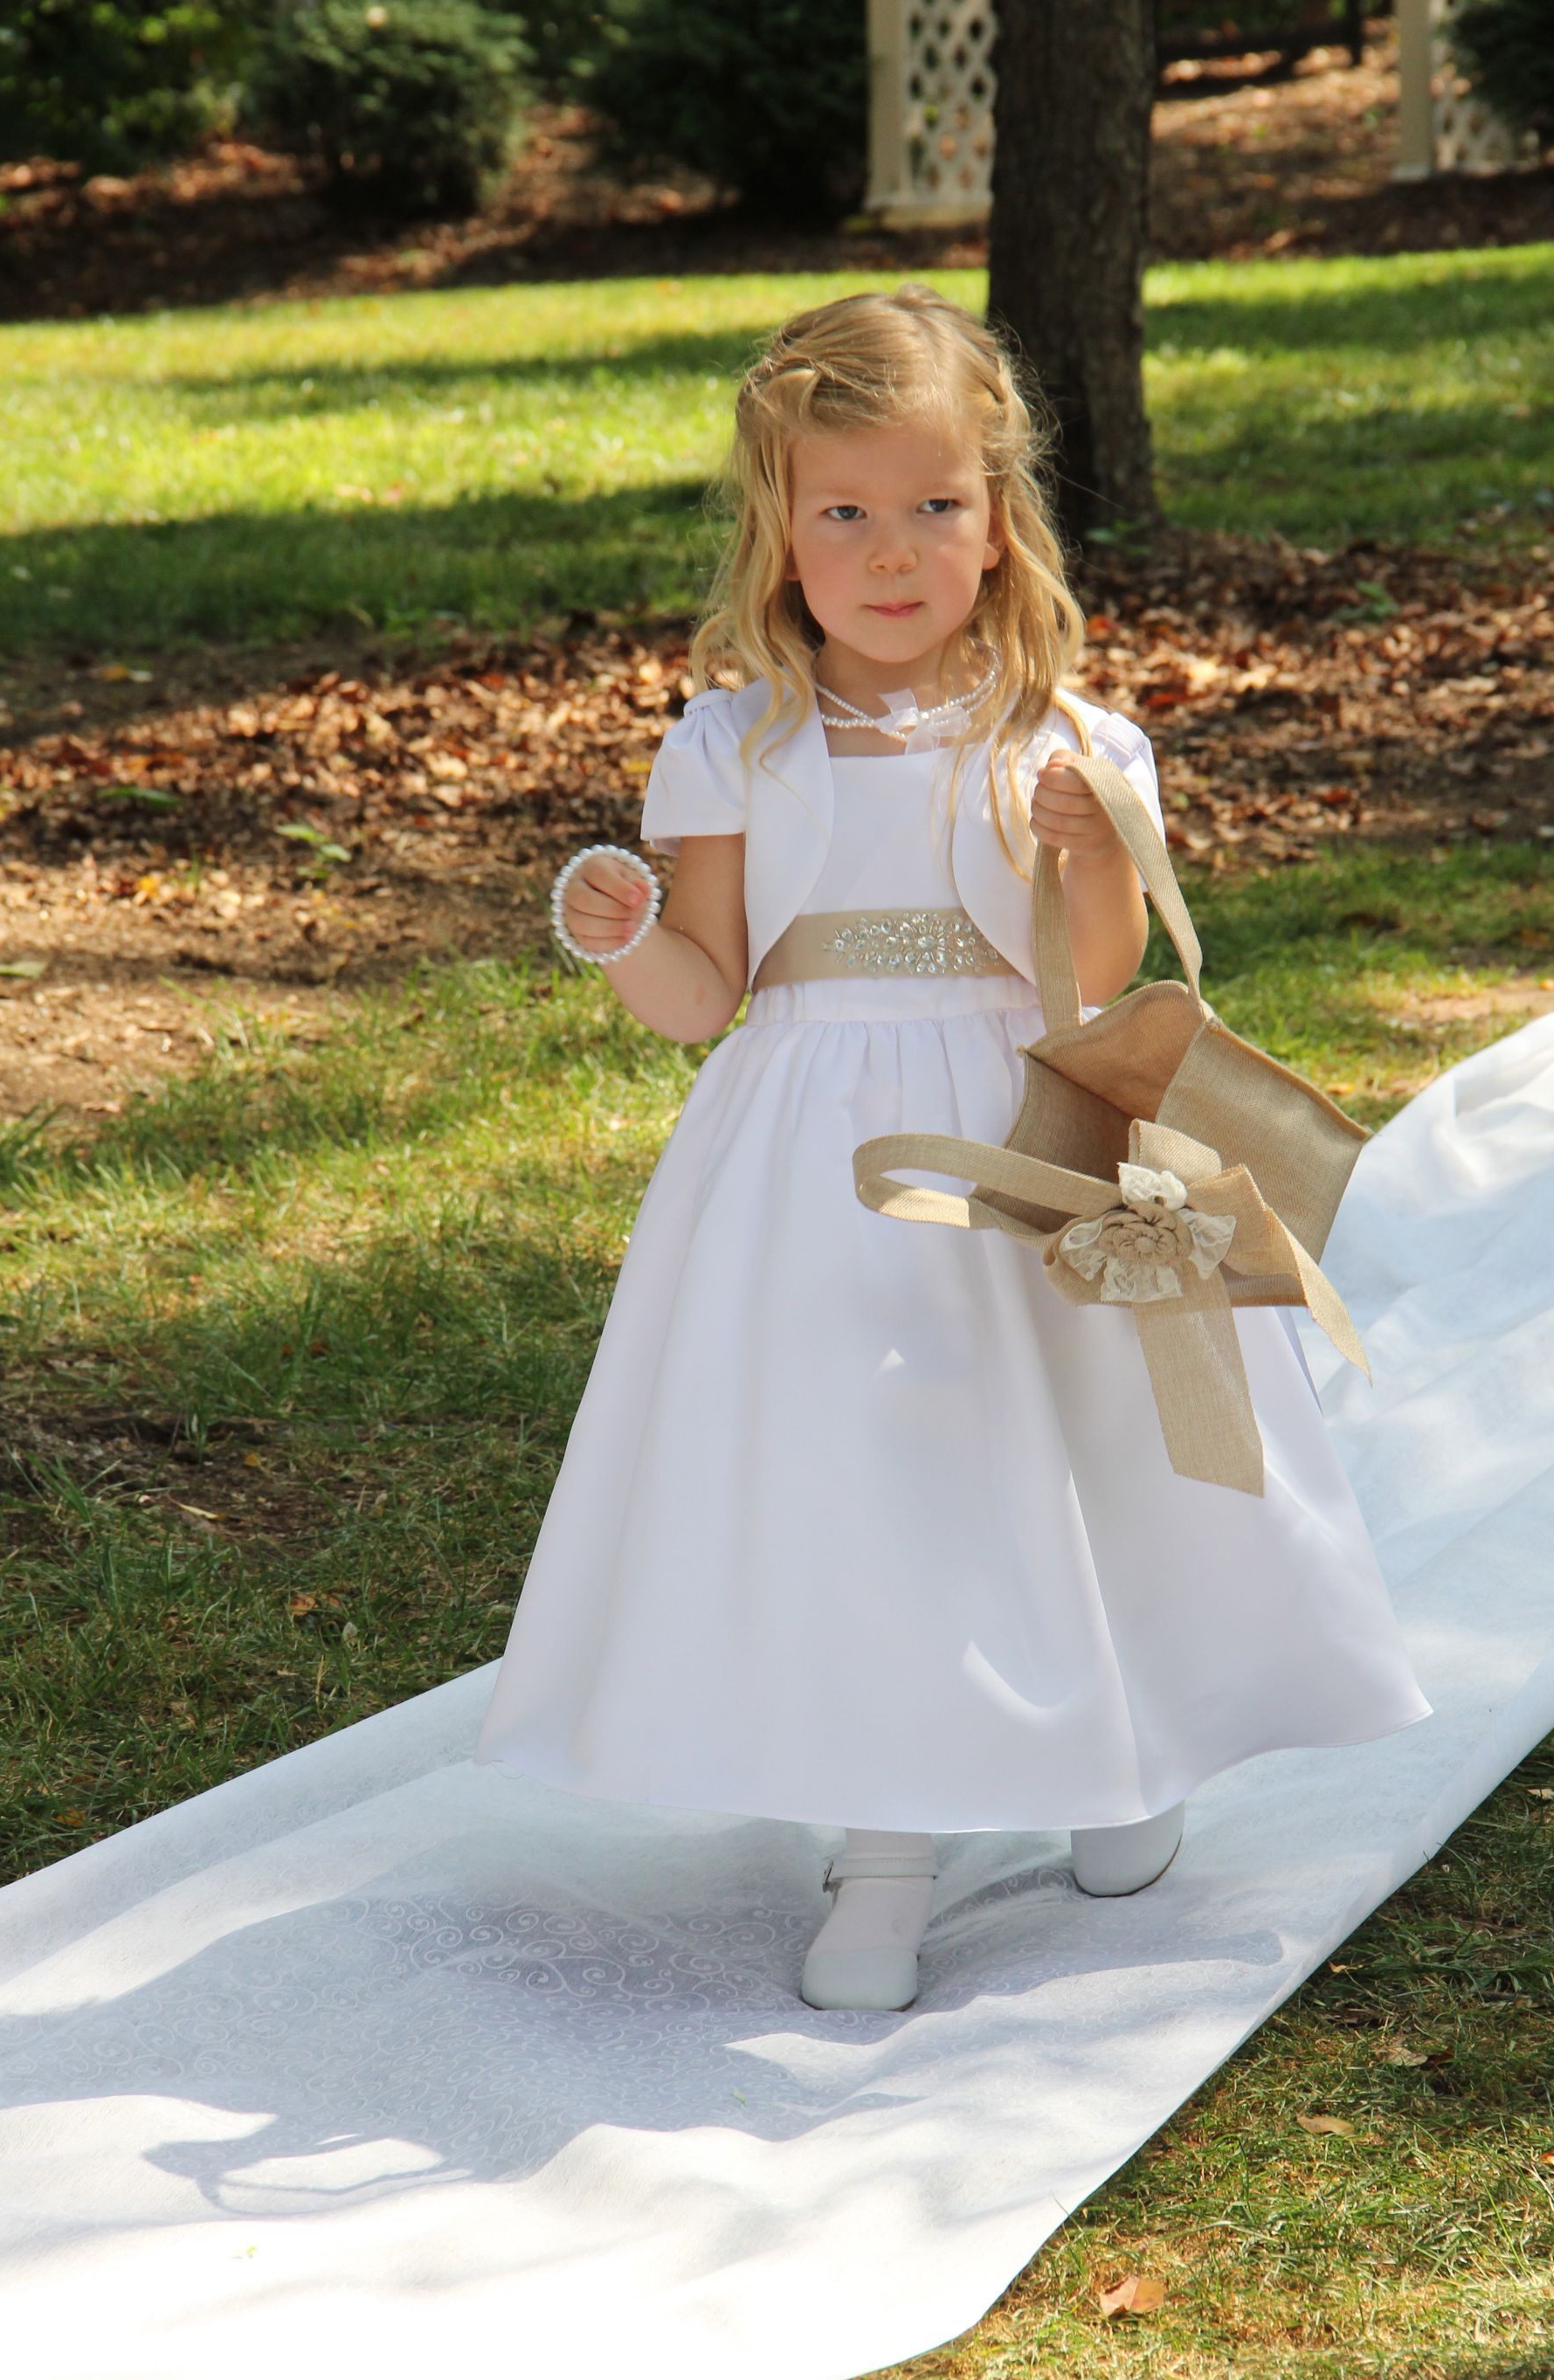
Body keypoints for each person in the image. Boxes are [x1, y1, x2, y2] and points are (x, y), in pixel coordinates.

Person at [473, 284, 1429, 2011]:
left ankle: (1121, 1761)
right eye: (844, 512)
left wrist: (1085, 848)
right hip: (813, 1162)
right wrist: (621, 931)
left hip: (1022, 1133)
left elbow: (1103, 980)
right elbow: (706, 995)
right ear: (781, 532)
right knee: (874, 1482)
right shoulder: (733, 743)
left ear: (998, 525)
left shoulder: (1064, 740)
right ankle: (891, 1839)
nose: (891, 551)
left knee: (1080, 1458)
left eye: (933, 507)